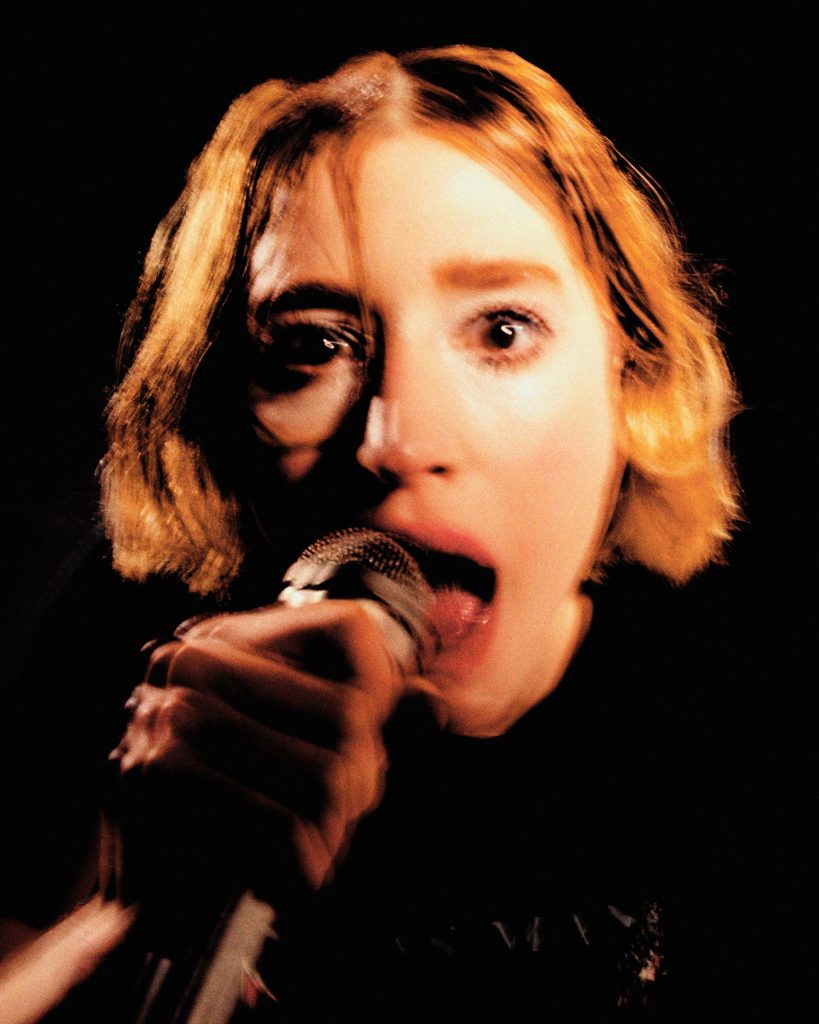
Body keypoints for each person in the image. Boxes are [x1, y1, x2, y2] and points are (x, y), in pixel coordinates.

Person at [0, 44, 740, 1022]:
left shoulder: (737, 682)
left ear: (629, 369)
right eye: (312, 346)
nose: (396, 440)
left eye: (502, 331)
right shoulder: (134, 653)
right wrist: (129, 925)